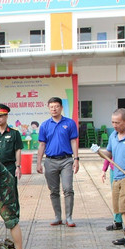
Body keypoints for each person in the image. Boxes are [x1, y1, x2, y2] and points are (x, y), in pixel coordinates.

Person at [36, 97, 79, 227]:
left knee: (68, 189)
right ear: (48, 108)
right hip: (50, 161)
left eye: (56, 106)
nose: (54, 109)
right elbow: (42, 144)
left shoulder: (70, 123)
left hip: (66, 160)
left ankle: (69, 218)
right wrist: (38, 162)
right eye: (51, 107)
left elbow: (73, 141)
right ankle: (57, 217)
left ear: (61, 107)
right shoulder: (44, 125)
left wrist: (76, 159)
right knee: (53, 191)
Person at [103, 108, 125, 247]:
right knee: (121, 208)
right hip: (117, 177)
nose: (114, 125)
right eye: (112, 122)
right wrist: (99, 152)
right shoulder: (113, 135)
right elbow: (109, 152)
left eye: (117, 122)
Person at [101, 159, 124, 231]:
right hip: (114, 170)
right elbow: (108, 154)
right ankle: (118, 221)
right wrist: (104, 169)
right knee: (116, 196)